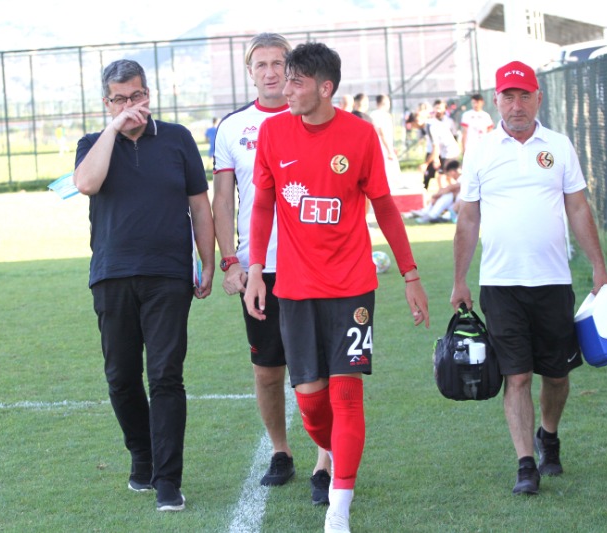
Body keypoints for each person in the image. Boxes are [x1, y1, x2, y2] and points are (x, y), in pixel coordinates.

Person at [243, 41, 430, 533]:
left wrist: (410, 275)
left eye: (296, 81)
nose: (285, 89)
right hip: (295, 289)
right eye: (285, 79)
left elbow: (385, 206)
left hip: (351, 288)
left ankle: (338, 507)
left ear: (325, 89)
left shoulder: (360, 135)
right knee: (311, 403)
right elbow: (262, 205)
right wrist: (256, 269)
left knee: (346, 395)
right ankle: (331, 450)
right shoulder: (272, 132)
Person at [450, 60, 607, 496]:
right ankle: (525, 464)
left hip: (553, 281)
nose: (516, 105)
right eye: (509, 96)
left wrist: (599, 267)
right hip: (500, 284)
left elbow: (577, 208)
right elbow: (468, 219)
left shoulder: (559, 146)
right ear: (496, 100)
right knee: (517, 376)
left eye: (525, 96)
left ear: (538, 98)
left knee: (556, 375)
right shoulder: (481, 150)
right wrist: (460, 280)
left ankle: (548, 436)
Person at [72, 58, 215, 512]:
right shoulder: (92, 144)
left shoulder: (177, 139)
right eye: (119, 99)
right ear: (107, 103)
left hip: (168, 275)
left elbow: (199, 204)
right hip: (111, 275)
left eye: (136, 96)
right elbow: (86, 183)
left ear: (148, 95)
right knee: (120, 378)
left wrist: (208, 261)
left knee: (166, 375)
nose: (129, 105)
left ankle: (168, 480)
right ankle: (142, 457)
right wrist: (114, 129)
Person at [211, 32, 332, 505]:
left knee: (318, 369)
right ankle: (281, 451)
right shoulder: (232, 128)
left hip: (314, 268)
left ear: (292, 68)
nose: (270, 72)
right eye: (260, 64)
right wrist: (231, 262)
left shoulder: (313, 117)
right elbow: (224, 200)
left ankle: (325, 460)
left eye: (278, 63)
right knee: (267, 370)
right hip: (260, 271)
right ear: (250, 72)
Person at [420, 99, 460, 190]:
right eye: (436, 108)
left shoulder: (435, 124)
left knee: (443, 176)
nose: (437, 110)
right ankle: (450, 193)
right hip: (439, 151)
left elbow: (437, 146)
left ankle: (449, 193)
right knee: (441, 176)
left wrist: (427, 163)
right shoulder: (430, 123)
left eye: (440, 108)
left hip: (448, 152)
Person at [370, 94, 403, 188]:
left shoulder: (375, 114)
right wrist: (389, 150)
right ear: (385, 102)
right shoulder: (379, 115)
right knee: (390, 170)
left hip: (383, 146)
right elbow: (382, 133)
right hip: (383, 147)